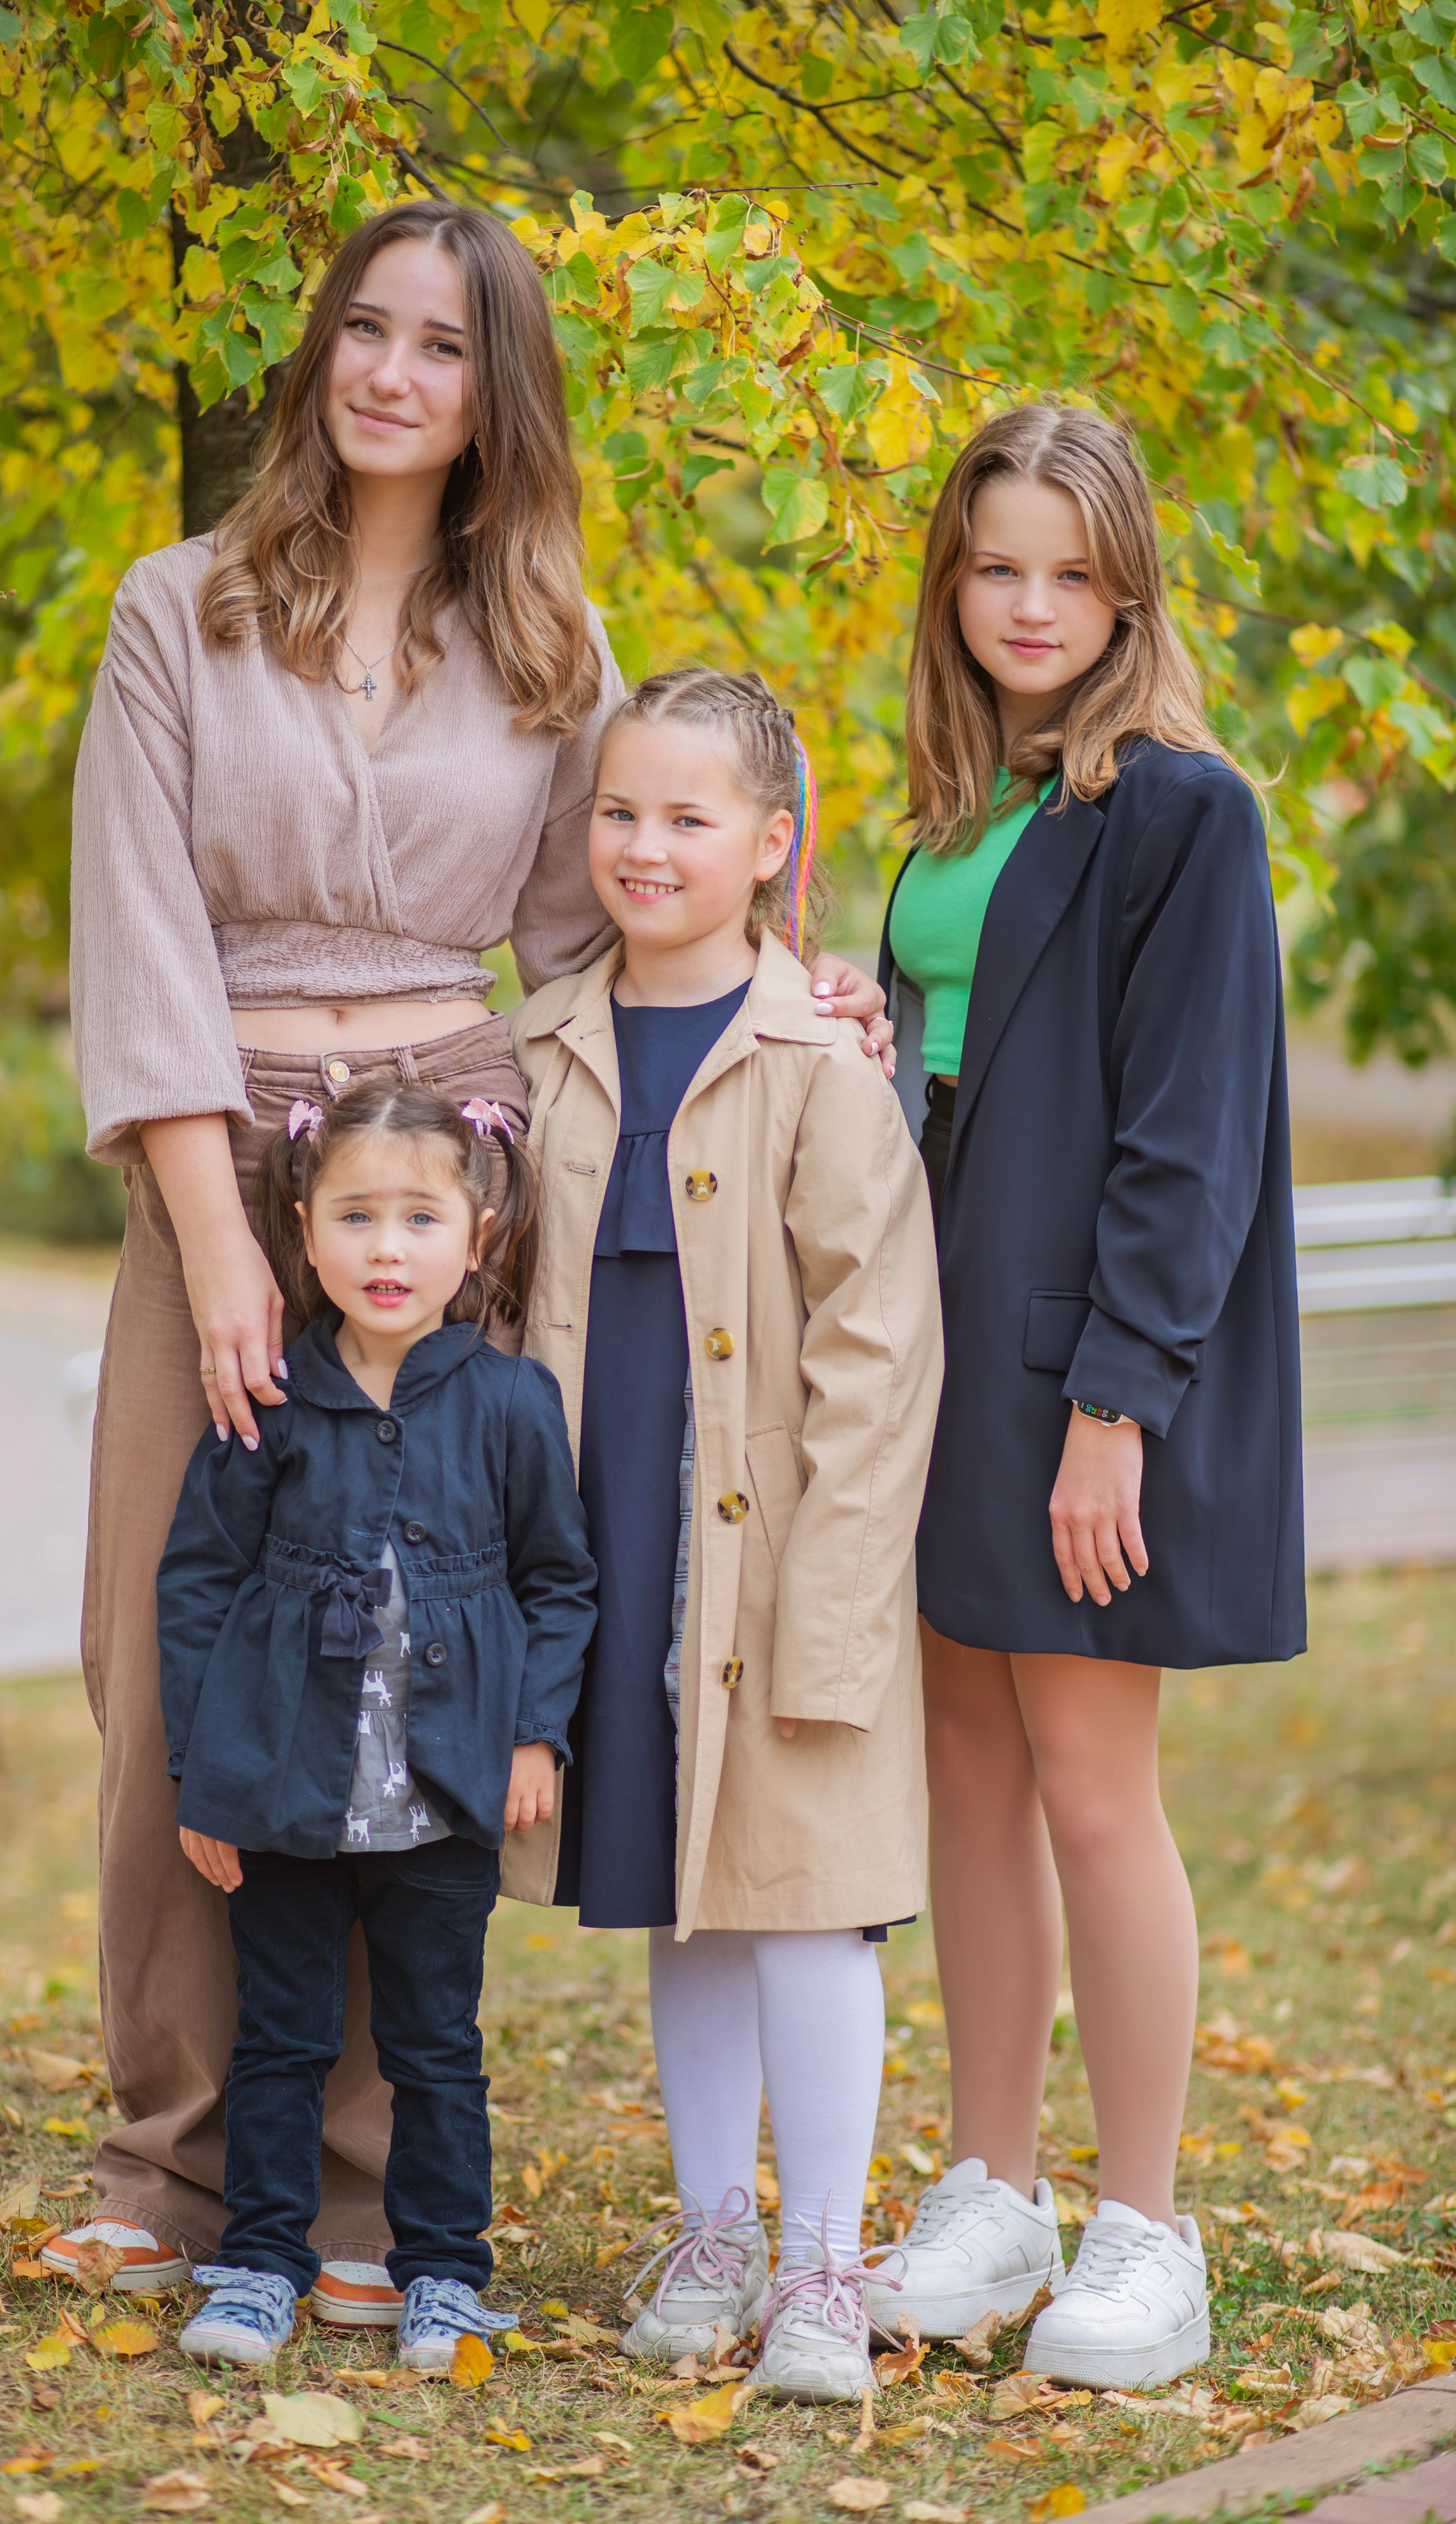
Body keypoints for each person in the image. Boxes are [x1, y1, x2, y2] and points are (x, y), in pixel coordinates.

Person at [56, 197, 889, 2312]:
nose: (390, 372)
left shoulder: (554, 653)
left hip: (457, 1171)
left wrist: (804, 997)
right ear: (321, 355)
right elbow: (139, 942)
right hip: (222, 1167)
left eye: (440, 344)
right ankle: (172, 2163)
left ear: (491, 386)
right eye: (364, 329)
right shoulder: (179, 612)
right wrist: (221, 1250)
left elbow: (606, 932)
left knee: (406, 1658)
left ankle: (349, 2185)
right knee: (177, 1665)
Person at [869, 403, 1304, 2389]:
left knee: (1092, 1791)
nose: (1029, 605)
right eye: (995, 565)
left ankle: (1147, 2229)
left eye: (1069, 571)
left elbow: (1186, 1141)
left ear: (1126, 588)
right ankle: (994, 2185)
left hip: (1077, 1381)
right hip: (934, 1369)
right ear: (952, 579)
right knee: (964, 1772)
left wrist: (1117, 1407)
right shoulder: (958, 816)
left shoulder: (1184, 811)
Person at [508, 670, 943, 2403]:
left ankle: (827, 2263)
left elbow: (880, 1344)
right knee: (675, 1893)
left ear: (775, 843)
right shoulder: (545, 1043)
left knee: (807, 1898)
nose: (646, 845)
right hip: (605, 1517)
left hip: (775, 1545)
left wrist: (834, 1604)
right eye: (620, 811)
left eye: (690, 818)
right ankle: (714, 2233)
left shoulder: (817, 1053)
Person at [158, 1080, 596, 2369]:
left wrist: (533, 1734)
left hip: (443, 1795)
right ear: (303, 1230)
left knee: (431, 2047)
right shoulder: (273, 1398)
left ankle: (444, 2273)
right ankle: (257, 2263)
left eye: (418, 1216)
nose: (387, 1248)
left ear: (480, 1232)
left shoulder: (513, 1404)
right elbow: (199, 1588)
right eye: (356, 1217)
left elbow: (558, 1583)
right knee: (282, 2036)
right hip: (284, 1791)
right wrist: (205, 1776)